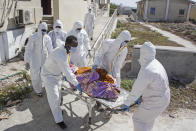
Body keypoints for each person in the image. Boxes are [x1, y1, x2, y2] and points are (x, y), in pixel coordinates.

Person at [122, 42, 170, 131]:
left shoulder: (147, 70)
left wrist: (127, 103)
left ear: (143, 53)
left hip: (155, 101)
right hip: (163, 97)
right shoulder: (155, 62)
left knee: (138, 119)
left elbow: (137, 89)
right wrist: (141, 96)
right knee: (148, 119)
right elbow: (152, 84)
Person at [41, 36, 82, 129]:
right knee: (54, 98)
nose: (75, 48)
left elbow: (65, 66)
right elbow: (67, 70)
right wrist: (76, 84)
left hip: (57, 75)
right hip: (49, 77)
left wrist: (63, 74)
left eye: (76, 45)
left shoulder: (65, 50)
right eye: (74, 46)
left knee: (58, 96)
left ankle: (57, 110)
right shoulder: (60, 54)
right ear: (67, 44)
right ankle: (59, 120)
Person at [24, 22, 53, 96]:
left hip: (44, 59)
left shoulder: (47, 38)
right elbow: (28, 50)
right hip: (35, 60)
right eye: (42, 30)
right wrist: (27, 61)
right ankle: (38, 90)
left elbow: (50, 49)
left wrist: (53, 59)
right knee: (35, 75)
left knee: (45, 74)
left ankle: (47, 88)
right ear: (39, 29)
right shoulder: (33, 37)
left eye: (45, 30)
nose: (44, 32)